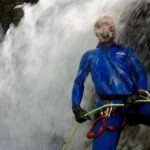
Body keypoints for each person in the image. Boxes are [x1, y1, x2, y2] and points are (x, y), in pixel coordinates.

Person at [71, 15, 150, 150]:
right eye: (106, 24)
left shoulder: (126, 51)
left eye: (112, 24)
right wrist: (76, 107)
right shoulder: (89, 56)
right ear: (97, 31)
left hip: (134, 101)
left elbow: (140, 74)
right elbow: (79, 82)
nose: (111, 26)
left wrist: (139, 92)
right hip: (108, 107)